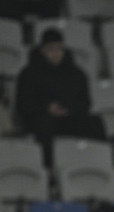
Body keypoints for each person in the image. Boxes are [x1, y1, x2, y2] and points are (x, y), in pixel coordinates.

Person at [15, 28, 106, 166]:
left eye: (59, 49)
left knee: (95, 123)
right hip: (41, 118)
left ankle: (98, 162)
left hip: (70, 117)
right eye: (51, 49)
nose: (56, 54)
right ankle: (48, 167)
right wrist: (47, 108)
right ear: (43, 50)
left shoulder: (76, 74)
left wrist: (69, 110)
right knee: (44, 126)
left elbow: (85, 102)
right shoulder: (29, 74)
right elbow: (23, 104)